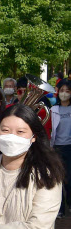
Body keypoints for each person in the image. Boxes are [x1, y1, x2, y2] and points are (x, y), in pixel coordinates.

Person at [51, 78, 71, 216]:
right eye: (62, 90)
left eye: (67, 91)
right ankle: (60, 209)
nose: (64, 93)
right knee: (58, 179)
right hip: (56, 147)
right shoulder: (53, 109)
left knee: (69, 178)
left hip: (69, 147)